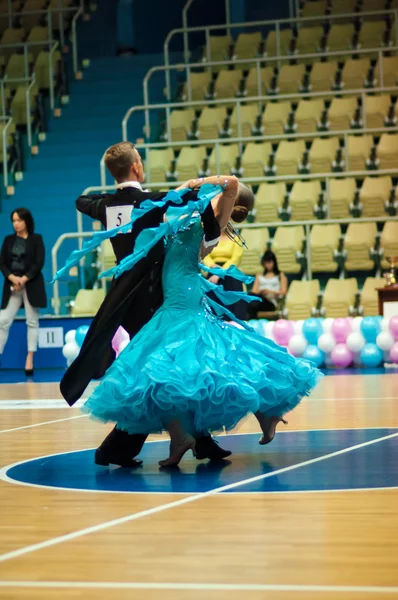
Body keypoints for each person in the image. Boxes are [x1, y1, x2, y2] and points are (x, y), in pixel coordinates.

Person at [77, 178, 323, 467]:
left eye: (218, 194)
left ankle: (184, 436)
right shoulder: (202, 213)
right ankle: (260, 415)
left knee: (171, 363)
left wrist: (198, 182)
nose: (214, 194)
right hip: (178, 291)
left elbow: (231, 183)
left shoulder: (215, 218)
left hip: (181, 295)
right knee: (206, 360)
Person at [58, 141, 232, 466]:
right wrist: (209, 227)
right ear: (137, 166)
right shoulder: (151, 201)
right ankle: (127, 446)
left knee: (162, 370)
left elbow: (83, 201)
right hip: (154, 298)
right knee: (167, 371)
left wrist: (108, 201)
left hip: (123, 299)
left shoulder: (110, 206)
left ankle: (126, 447)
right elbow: (195, 199)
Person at [0, 208, 46, 375]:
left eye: (19, 220)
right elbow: (2, 263)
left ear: (26, 221)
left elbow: (39, 262)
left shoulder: (36, 239)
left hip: (31, 285)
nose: (16, 224)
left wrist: (24, 279)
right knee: (2, 321)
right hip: (12, 285)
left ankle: (30, 357)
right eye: (13, 221)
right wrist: (13, 278)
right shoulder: (8, 240)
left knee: (32, 321)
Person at [202, 228, 247, 320]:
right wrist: (214, 267)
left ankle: (235, 319)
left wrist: (220, 273)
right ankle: (214, 317)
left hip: (229, 269)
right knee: (211, 284)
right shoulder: (209, 238)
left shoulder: (236, 238)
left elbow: (236, 257)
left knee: (232, 279)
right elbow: (205, 255)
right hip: (214, 269)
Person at [247, 250, 288, 320]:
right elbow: (254, 291)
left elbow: (284, 292)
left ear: (274, 262)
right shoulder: (259, 275)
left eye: (270, 262)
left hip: (271, 302)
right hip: (260, 299)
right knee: (250, 298)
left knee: (253, 303)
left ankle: (250, 322)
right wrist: (261, 292)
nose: (268, 265)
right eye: (266, 263)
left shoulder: (280, 275)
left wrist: (270, 291)